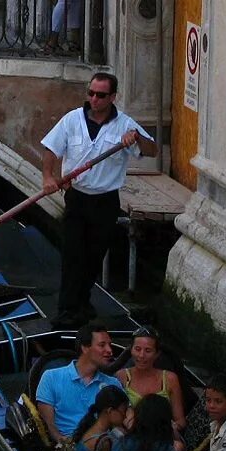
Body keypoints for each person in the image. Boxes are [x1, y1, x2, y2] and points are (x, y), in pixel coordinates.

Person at [41, 72, 158, 325]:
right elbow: (51, 149)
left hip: (105, 201)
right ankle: (66, 310)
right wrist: (48, 177)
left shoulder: (126, 124)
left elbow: (152, 150)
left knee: (94, 256)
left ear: (112, 97)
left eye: (100, 95)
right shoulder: (72, 120)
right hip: (77, 197)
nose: (94, 99)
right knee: (72, 254)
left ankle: (82, 303)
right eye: (91, 93)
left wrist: (136, 138)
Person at [35, 323, 123, 447]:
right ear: (85, 348)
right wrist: (63, 443)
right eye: (102, 345)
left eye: (109, 345)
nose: (110, 350)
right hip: (67, 446)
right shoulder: (51, 377)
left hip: (103, 447)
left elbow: (121, 424)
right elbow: (50, 426)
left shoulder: (113, 384)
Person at [118, 326, 187, 443]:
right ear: (131, 350)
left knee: (178, 448)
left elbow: (180, 420)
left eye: (148, 351)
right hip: (131, 436)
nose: (141, 355)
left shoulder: (170, 379)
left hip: (161, 437)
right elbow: (116, 416)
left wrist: (167, 428)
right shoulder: (121, 376)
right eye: (137, 349)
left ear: (157, 354)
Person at [70, 385, 130, 451]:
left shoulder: (90, 428)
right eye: (123, 411)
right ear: (110, 411)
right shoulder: (103, 442)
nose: (125, 416)